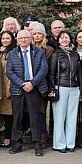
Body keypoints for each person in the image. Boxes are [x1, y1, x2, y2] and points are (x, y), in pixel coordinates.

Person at [7, 29, 48, 156]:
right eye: (20, 38)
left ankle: (37, 144)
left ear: (30, 39)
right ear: (17, 40)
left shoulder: (39, 52)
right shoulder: (12, 53)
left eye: (26, 37)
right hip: (18, 89)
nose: (23, 40)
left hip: (33, 88)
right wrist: (22, 84)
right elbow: (9, 71)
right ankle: (17, 144)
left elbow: (43, 69)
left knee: (34, 117)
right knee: (17, 117)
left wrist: (32, 83)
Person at [48, 30, 82, 153]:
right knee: (59, 116)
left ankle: (70, 143)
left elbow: (80, 73)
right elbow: (51, 74)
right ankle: (59, 144)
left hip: (74, 87)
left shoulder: (75, 55)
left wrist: (81, 88)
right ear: (58, 41)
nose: (64, 40)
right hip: (60, 87)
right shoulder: (56, 55)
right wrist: (52, 89)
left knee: (72, 117)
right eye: (61, 38)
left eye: (66, 37)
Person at [29, 21, 53, 149]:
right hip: (30, 86)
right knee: (32, 112)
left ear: (44, 36)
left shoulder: (49, 50)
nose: (37, 36)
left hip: (43, 85)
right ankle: (35, 137)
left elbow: (48, 70)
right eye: (35, 34)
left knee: (41, 112)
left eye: (40, 34)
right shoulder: (28, 49)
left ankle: (43, 138)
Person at [0, 30, 16, 148]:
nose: (5, 41)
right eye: (3, 38)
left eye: (7, 38)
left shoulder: (14, 52)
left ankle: (9, 138)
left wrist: (9, 88)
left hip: (10, 88)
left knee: (9, 116)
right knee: (2, 115)